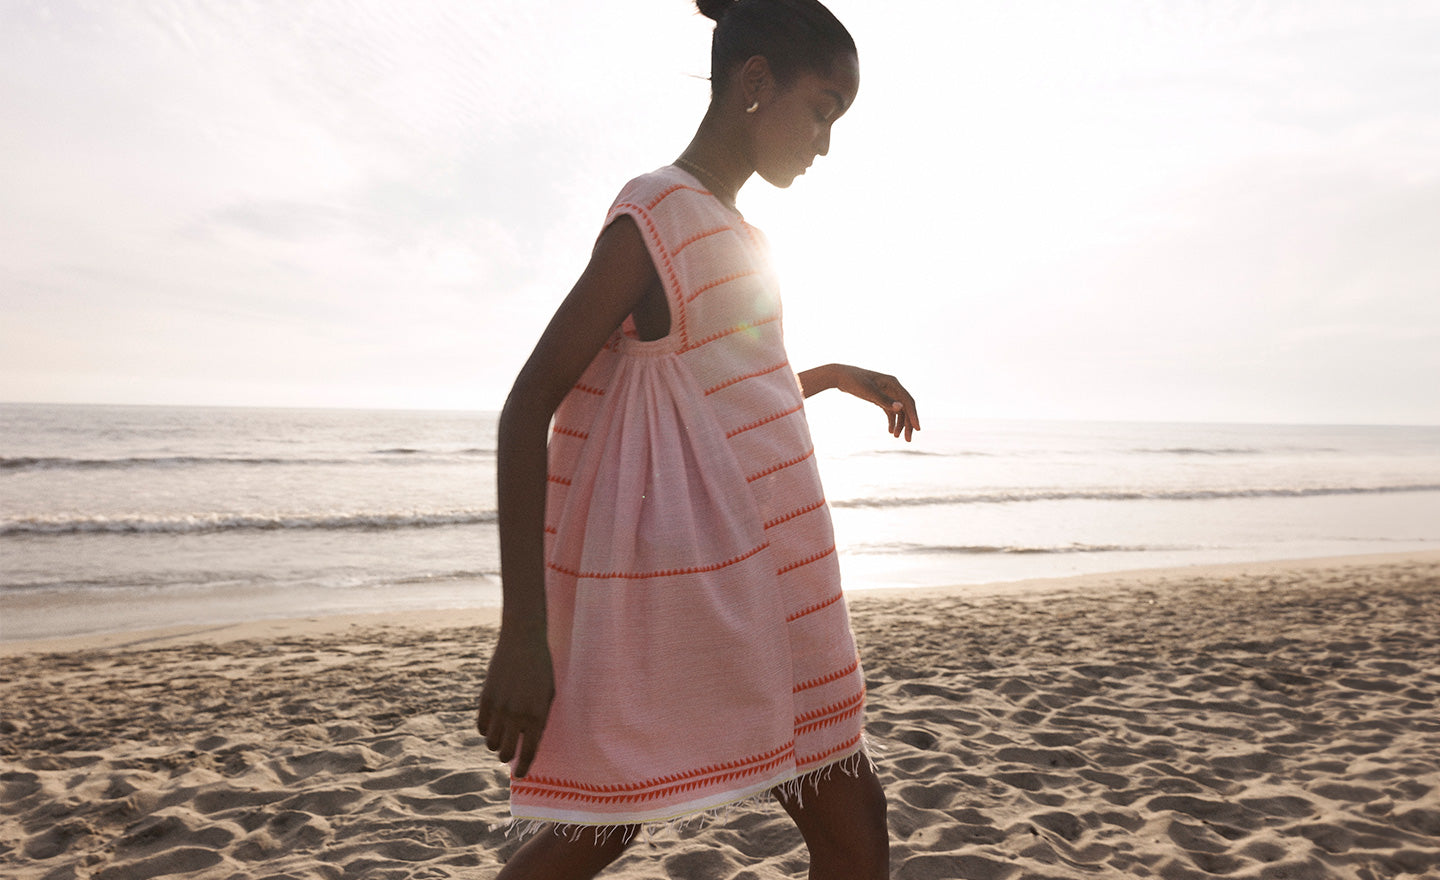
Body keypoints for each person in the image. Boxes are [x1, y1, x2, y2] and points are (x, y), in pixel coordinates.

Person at [476, 1, 919, 877]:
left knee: (848, 816)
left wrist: (829, 376)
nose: (826, 141)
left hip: (789, 584)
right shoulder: (658, 213)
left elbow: (709, 413)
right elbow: (529, 406)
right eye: (823, 107)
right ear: (757, 82)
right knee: (609, 817)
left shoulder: (743, 233)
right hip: (725, 590)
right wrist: (523, 632)